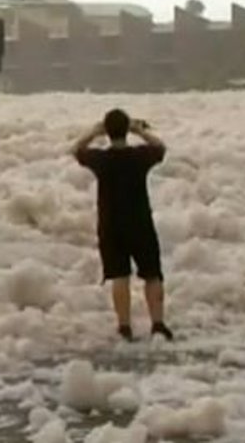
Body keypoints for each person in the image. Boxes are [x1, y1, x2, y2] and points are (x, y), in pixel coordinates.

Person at [71, 108, 174, 342]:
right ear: (126, 130)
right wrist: (139, 130)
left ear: (107, 131)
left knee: (120, 276)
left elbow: (76, 150)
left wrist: (93, 132)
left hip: (111, 224)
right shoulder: (139, 156)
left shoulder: (101, 159)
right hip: (140, 222)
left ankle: (124, 327)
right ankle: (157, 324)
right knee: (152, 275)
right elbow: (161, 148)